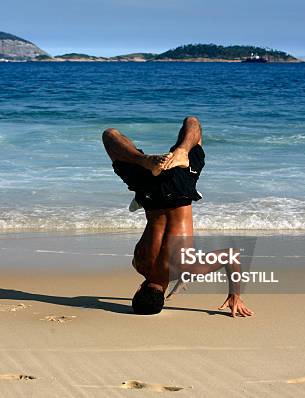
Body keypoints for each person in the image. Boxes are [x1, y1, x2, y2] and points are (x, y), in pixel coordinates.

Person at [102, 116, 254, 317]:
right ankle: (147, 159)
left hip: (179, 190)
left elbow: (231, 255)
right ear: (139, 289)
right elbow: (160, 258)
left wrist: (235, 295)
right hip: (148, 191)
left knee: (194, 124)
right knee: (110, 136)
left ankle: (182, 151)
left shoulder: (187, 266)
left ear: (163, 297)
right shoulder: (139, 263)